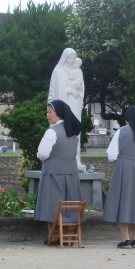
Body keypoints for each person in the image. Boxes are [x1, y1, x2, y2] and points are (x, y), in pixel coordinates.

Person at [102, 106, 135, 249]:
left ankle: (125, 239)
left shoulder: (122, 131)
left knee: (123, 202)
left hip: (123, 168)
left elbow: (112, 155)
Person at [34, 99, 85, 241]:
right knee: (69, 204)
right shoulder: (73, 133)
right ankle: (66, 235)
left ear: (59, 113)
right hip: (71, 174)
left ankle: (53, 236)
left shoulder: (52, 132)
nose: (47, 115)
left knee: (52, 205)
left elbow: (42, 153)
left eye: (50, 112)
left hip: (53, 173)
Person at [48, 48, 85, 168]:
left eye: (73, 58)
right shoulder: (59, 71)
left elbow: (81, 87)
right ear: (65, 58)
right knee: (62, 130)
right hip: (63, 105)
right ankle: (60, 158)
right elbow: (59, 90)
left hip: (74, 103)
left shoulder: (77, 71)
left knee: (74, 129)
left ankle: (75, 159)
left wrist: (77, 91)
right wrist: (70, 90)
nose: (72, 60)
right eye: (70, 58)